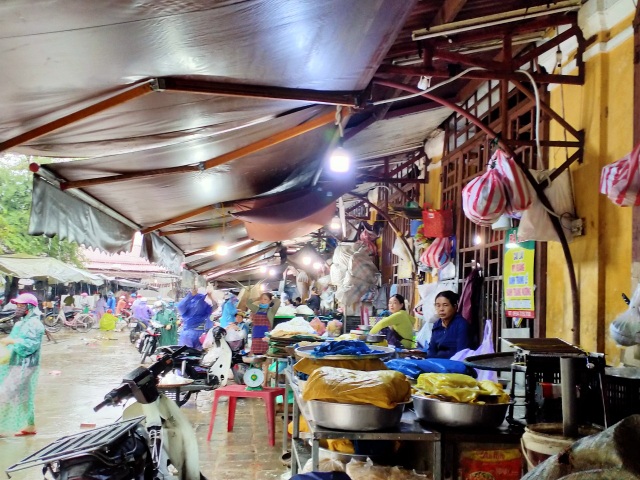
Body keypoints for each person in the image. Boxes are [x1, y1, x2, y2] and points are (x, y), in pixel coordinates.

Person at [0, 293, 45, 436]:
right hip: (16, 363)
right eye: (17, 305)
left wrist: (12, 342)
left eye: (21, 305)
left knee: (4, 393)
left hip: (26, 365)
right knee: (25, 396)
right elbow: (14, 340)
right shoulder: (21, 323)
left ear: (30, 307)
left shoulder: (35, 324)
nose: (18, 308)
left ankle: (1, 427)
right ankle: (30, 426)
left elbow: (30, 345)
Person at [427, 291, 470, 359]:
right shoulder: (437, 324)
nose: (441, 309)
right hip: (437, 363)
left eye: (445, 305)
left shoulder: (461, 325)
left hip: (454, 364)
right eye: (438, 305)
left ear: (455, 307)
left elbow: (461, 353)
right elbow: (432, 350)